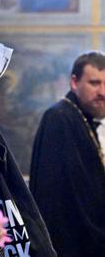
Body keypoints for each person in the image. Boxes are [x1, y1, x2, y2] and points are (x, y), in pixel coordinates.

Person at [29, 51, 105, 256]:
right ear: (74, 82)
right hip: (70, 243)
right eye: (95, 83)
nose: (103, 92)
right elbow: (61, 198)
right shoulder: (59, 118)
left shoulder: (81, 118)